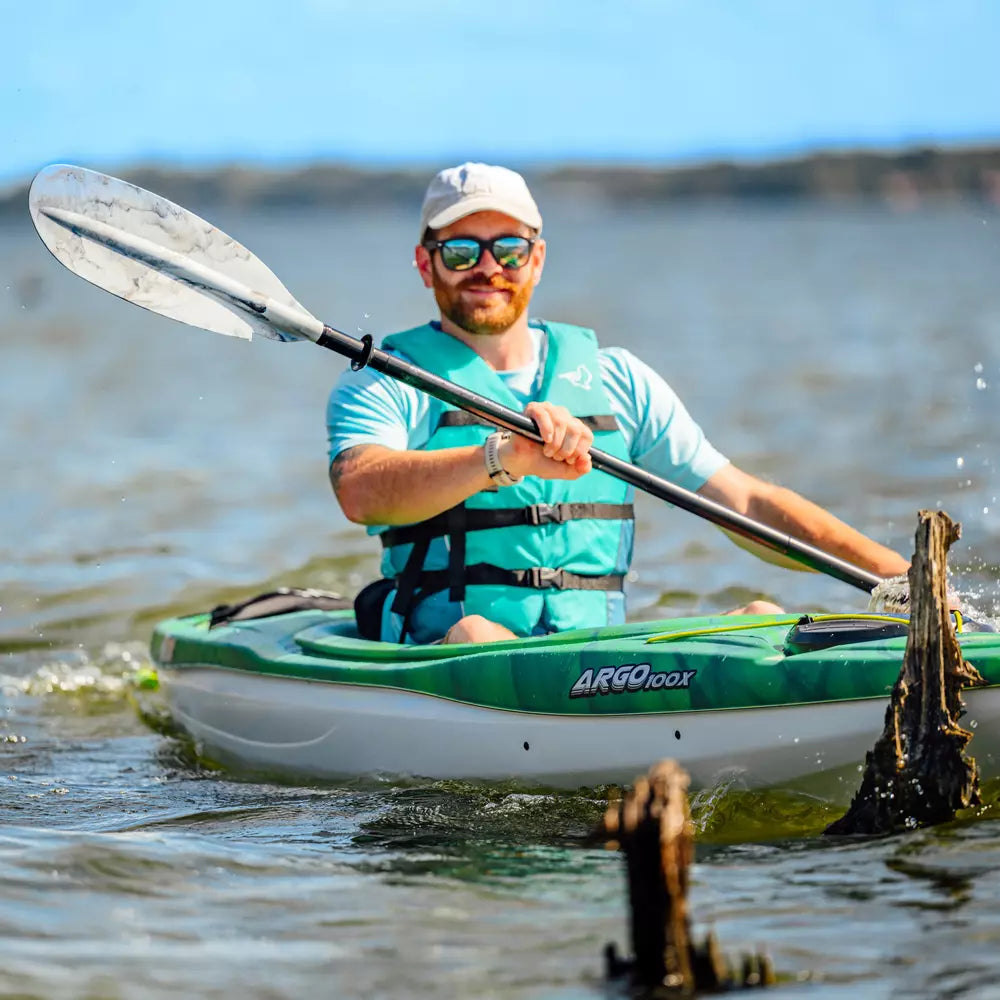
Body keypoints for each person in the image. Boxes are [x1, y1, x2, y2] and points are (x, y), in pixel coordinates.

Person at [326, 162, 908, 644]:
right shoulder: (387, 381)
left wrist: (900, 578)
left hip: (597, 659)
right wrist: (501, 458)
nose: (487, 267)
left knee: (759, 617)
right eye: (460, 250)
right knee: (476, 632)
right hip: (451, 652)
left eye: (508, 248)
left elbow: (747, 502)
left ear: (537, 259)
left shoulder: (618, 379)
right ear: (426, 264)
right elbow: (359, 488)